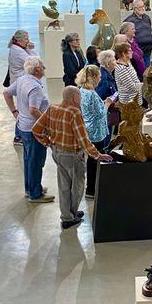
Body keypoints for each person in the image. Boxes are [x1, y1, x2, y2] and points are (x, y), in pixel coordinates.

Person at [32, 86, 113, 229]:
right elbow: (83, 139)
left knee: (64, 185)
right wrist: (98, 155)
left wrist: (49, 143)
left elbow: (36, 129)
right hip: (73, 156)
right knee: (77, 186)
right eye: (79, 97)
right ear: (74, 98)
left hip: (58, 152)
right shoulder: (75, 112)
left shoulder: (52, 108)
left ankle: (67, 214)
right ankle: (70, 216)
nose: (81, 100)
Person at [3, 56, 54, 203]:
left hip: (23, 126)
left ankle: (30, 188)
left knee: (28, 159)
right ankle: (35, 194)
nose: (44, 69)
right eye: (43, 67)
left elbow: (6, 93)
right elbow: (33, 110)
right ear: (37, 69)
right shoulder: (35, 87)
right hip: (33, 129)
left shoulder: (22, 79)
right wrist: (46, 124)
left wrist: (15, 111)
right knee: (36, 160)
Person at [76, 66, 112, 199]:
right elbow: (100, 114)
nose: (100, 79)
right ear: (94, 77)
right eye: (99, 76)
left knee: (91, 160)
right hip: (96, 131)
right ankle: (92, 189)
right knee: (95, 160)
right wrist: (107, 104)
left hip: (89, 128)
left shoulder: (82, 90)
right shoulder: (91, 93)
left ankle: (92, 187)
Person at [6, 29, 38, 145]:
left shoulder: (18, 49)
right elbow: (35, 62)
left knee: (23, 108)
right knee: (23, 110)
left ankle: (20, 135)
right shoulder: (18, 51)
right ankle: (19, 136)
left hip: (20, 82)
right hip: (21, 83)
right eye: (26, 39)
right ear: (19, 40)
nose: (28, 41)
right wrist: (30, 49)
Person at [124, 0, 152, 67]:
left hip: (147, 52)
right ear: (134, 9)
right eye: (140, 7)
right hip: (136, 54)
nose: (143, 8)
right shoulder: (129, 21)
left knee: (146, 73)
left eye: (143, 6)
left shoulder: (147, 17)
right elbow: (124, 36)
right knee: (139, 73)